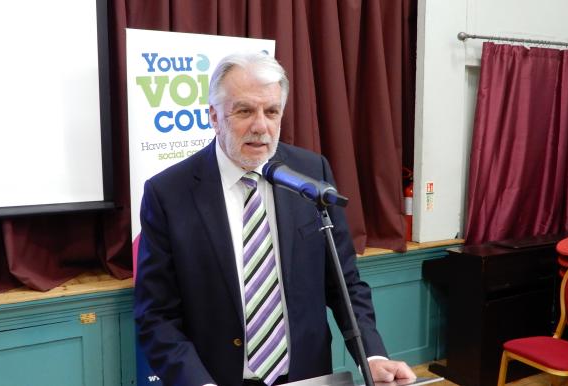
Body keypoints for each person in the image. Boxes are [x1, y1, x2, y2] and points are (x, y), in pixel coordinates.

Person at [134, 51, 415, 386]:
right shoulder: (169, 193)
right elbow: (157, 316)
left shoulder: (311, 173)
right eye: (244, 111)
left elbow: (344, 283)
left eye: (271, 111)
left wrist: (372, 357)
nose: (260, 126)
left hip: (306, 377)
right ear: (213, 116)